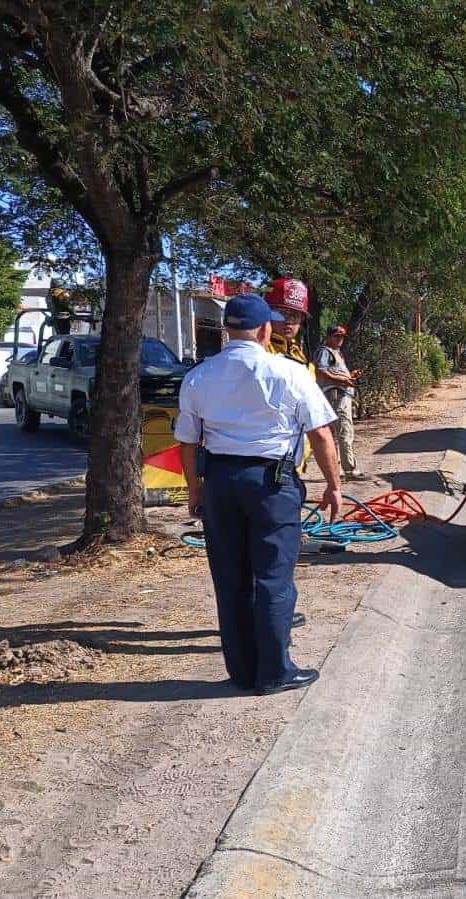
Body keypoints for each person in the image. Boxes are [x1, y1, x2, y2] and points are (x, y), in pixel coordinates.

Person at [174, 294, 342, 695]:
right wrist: (334, 486)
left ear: (227, 330)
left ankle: (242, 670)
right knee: (273, 578)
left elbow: (187, 441)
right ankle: (274, 672)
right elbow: (320, 433)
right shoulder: (288, 372)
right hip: (272, 484)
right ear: (266, 330)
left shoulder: (199, 376)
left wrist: (195, 490)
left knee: (230, 579)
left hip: (219, 483)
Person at [315, 325, 364, 479]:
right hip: (336, 395)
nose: (339, 339)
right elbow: (321, 371)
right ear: (329, 336)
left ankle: (339, 470)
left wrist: (350, 376)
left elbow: (333, 372)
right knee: (344, 431)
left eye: (342, 336)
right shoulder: (325, 351)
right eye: (336, 336)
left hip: (341, 394)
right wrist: (343, 380)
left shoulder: (337, 353)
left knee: (337, 433)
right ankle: (349, 470)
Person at [265, 277, 314, 373]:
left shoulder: (298, 353)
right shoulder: (259, 349)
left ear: (302, 320)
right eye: (282, 314)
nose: (289, 321)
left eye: (295, 315)